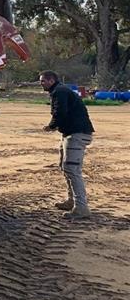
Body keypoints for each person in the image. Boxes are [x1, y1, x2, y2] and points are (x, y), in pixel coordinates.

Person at [39, 70, 95, 218]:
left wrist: (51, 126)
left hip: (76, 134)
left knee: (72, 170)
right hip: (71, 133)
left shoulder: (60, 92)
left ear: (51, 80)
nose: (41, 84)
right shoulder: (60, 90)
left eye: (43, 81)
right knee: (66, 169)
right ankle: (72, 201)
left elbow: (60, 112)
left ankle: (81, 207)